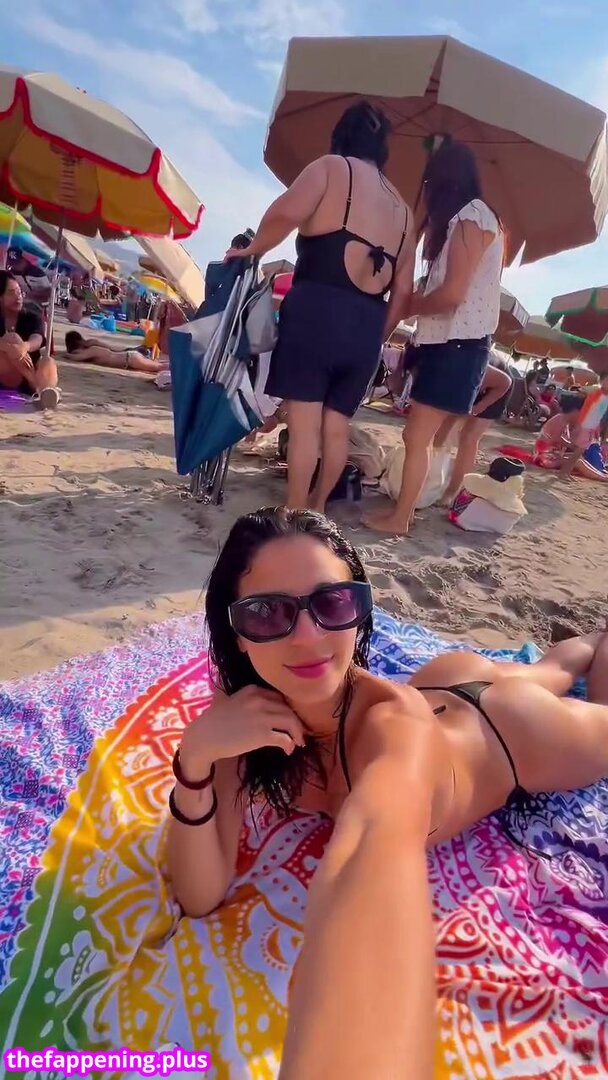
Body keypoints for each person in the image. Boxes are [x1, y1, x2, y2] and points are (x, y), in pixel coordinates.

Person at [167, 506, 608, 1076]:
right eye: (269, 612)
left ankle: (597, 640)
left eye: (332, 604)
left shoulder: (393, 730)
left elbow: (374, 841)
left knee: (578, 697)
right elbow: (199, 895)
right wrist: (194, 763)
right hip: (440, 681)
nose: (308, 636)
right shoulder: (242, 722)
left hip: (511, 730)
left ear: (359, 612)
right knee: (545, 669)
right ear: (238, 633)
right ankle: (572, 651)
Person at [225, 102, 415, 513]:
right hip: (368, 324)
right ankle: (316, 508)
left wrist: (253, 249)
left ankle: (295, 510)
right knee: (336, 427)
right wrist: (377, 336)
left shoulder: (332, 168)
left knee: (305, 423)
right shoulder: (404, 211)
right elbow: (403, 293)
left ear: (341, 135)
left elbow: (284, 214)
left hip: (317, 310)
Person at [365, 137, 504, 535]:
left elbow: (452, 295)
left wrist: (409, 305)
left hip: (457, 344)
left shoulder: (471, 217)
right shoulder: (474, 219)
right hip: (453, 344)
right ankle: (404, 514)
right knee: (420, 436)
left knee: (418, 436)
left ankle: (401, 518)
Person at [434, 357, 513, 506]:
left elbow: (505, 382)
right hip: (469, 382)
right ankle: (430, 478)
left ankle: (452, 492)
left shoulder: (468, 364)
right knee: (441, 430)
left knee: (468, 437)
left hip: (497, 388)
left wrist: (480, 406)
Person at [0, 270, 60, 409]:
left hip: (30, 366)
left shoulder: (31, 315)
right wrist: (9, 347)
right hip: (7, 374)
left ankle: (46, 392)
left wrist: (24, 347)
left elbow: (37, 338)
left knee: (48, 361)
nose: (18, 297)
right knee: (12, 338)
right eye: (11, 293)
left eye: (19, 292)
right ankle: (37, 385)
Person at [560, 373, 608, 478]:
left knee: (578, 452)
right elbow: (587, 409)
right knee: (577, 452)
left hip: (590, 426)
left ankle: (566, 472)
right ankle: (564, 472)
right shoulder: (596, 393)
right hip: (586, 425)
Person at [64, 330, 164, 375]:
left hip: (129, 359)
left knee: (158, 367)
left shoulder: (92, 350)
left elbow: (77, 357)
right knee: (158, 366)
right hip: (129, 357)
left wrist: (66, 355)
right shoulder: (93, 348)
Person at [534, 395, 582, 468]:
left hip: (549, 453)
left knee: (577, 458)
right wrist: (572, 445)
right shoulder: (560, 420)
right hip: (544, 454)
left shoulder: (565, 421)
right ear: (575, 411)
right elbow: (555, 441)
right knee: (576, 461)